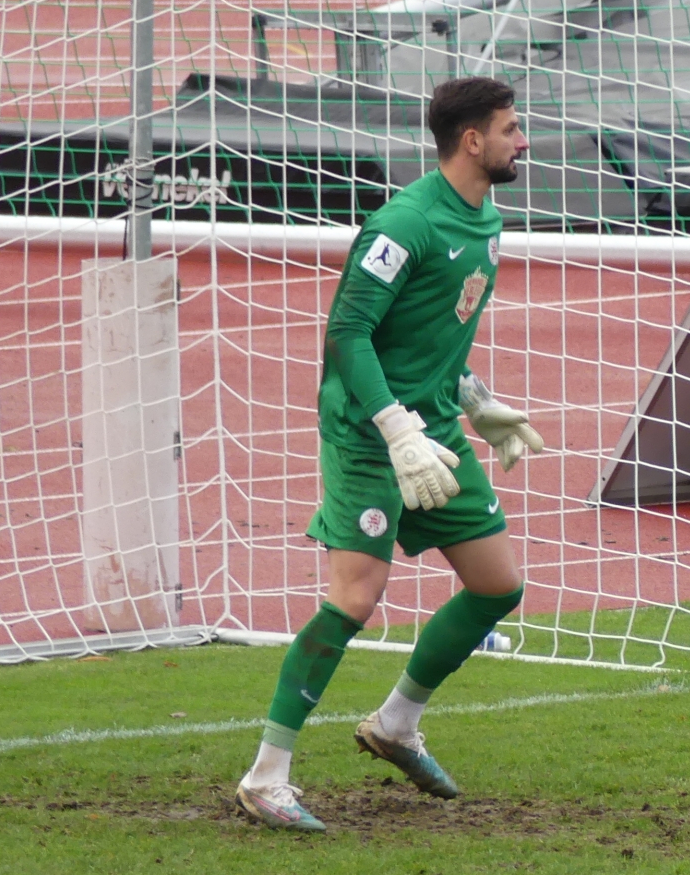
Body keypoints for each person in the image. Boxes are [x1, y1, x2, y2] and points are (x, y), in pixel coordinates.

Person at [234, 76, 546, 832]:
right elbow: (348, 334)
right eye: (510, 128)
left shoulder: (487, 221)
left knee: (497, 586)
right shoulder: (403, 224)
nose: (522, 140)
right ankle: (266, 776)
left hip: (434, 429)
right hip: (371, 435)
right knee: (354, 598)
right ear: (472, 140)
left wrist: (475, 402)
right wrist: (396, 429)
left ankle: (396, 724)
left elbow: (434, 332)